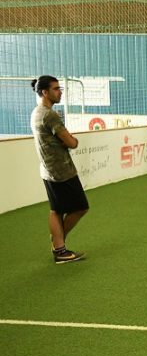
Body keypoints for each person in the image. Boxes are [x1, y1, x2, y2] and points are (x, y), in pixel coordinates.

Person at [30, 75, 89, 263]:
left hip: (48, 169)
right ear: (44, 92)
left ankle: (58, 243)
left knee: (57, 210)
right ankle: (59, 245)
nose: (60, 92)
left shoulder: (37, 112)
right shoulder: (50, 115)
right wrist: (72, 140)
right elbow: (72, 142)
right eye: (56, 89)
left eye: (60, 88)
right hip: (61, 171)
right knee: (80, 207)